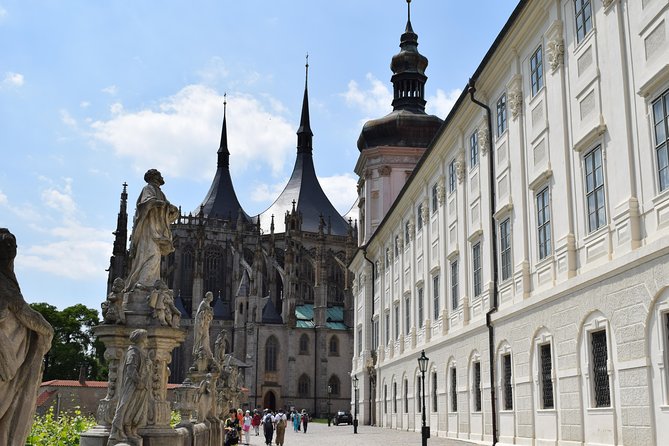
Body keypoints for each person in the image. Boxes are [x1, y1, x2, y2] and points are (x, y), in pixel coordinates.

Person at [0, 228, 54, 446]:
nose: (12, 249)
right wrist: (47, 331)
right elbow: (23, 311)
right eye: (6, 244)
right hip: (6, 358)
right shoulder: (4, 282)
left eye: (13, 244)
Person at [125, 169, 179, 292]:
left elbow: (165, 215)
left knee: (155, 257)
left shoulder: (160, 192)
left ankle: (149, 282)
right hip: (149, 230)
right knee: (149, 254)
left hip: (157, 230)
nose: (161, 177)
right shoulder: (148, 188)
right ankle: (143, 283)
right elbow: (145, 204)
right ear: (154, 177)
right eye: (159, 175)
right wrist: (161, 204)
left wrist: (171, 210)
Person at [108, 329, 152, 444]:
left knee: (135, 408)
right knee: (126, 406)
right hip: (132, 385)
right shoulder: (133, 352)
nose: (147, 340)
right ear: (141, 339)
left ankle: (131, 430)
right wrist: (139, 381)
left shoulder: (141, 352)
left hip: (141, 386)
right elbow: (130, 369)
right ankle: (119, 429)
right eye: (146, 337)